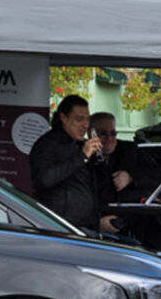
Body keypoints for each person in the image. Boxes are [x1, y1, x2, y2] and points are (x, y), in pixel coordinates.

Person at [29, 95, 118, 234]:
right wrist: (82, 156)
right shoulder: (47, 144)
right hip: (59, 227)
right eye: (79, 119)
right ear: (63, 118)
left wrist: (100, 162)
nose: (85, 125)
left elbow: (92, 188)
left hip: (83, 226)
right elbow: (45, 179)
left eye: (87, 119)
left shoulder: (78, 145)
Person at [89, 112, 161, 204]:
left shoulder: (129, 150)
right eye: (103, 133)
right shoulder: (84, 155)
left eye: (113, 133)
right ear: (91, 135)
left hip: (131, 211)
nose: (109, 138)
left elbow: (159, 173)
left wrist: (131, 177)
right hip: (98, 211)